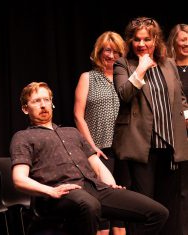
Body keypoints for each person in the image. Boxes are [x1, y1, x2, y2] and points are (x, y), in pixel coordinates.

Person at [10, 81, 169, 235]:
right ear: (25, 109)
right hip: (62, 192)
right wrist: (51, 191)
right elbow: (19, 179)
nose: (43, 105)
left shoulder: (71, 132)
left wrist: (111, 185)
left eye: (46, 100)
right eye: (36, 101)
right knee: (90, 205)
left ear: (52, 103)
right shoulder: (23, 137)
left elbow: (96, 164)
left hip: (95, 188)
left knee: (158, 213)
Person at [112, 17, 188, 235]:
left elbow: (180, 99)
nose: (142, 44)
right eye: (137, 39)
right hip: (142, 148)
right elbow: (125, 94)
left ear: (156, 40)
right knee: (147, 208)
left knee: (169, 207)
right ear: (130, 41)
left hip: (170, 146)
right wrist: (141, 69)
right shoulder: (123, 64)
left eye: (147, 39)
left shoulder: (169, 64)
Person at [74, 31, 126, 235]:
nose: (111, 55)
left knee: (122, 201)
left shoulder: (126, 79)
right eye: (107, 50)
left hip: (124, 149)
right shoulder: (88, 78)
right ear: (99, 52)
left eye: (116, 52)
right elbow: (78, 115)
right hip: (98, 150)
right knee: (102, 201)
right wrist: (91, 147)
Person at [167, 23, 188, 235]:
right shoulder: (168, 66)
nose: (187, 44)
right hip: (176, 133)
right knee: (180, 189)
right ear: (174, 41)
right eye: (183, 39)